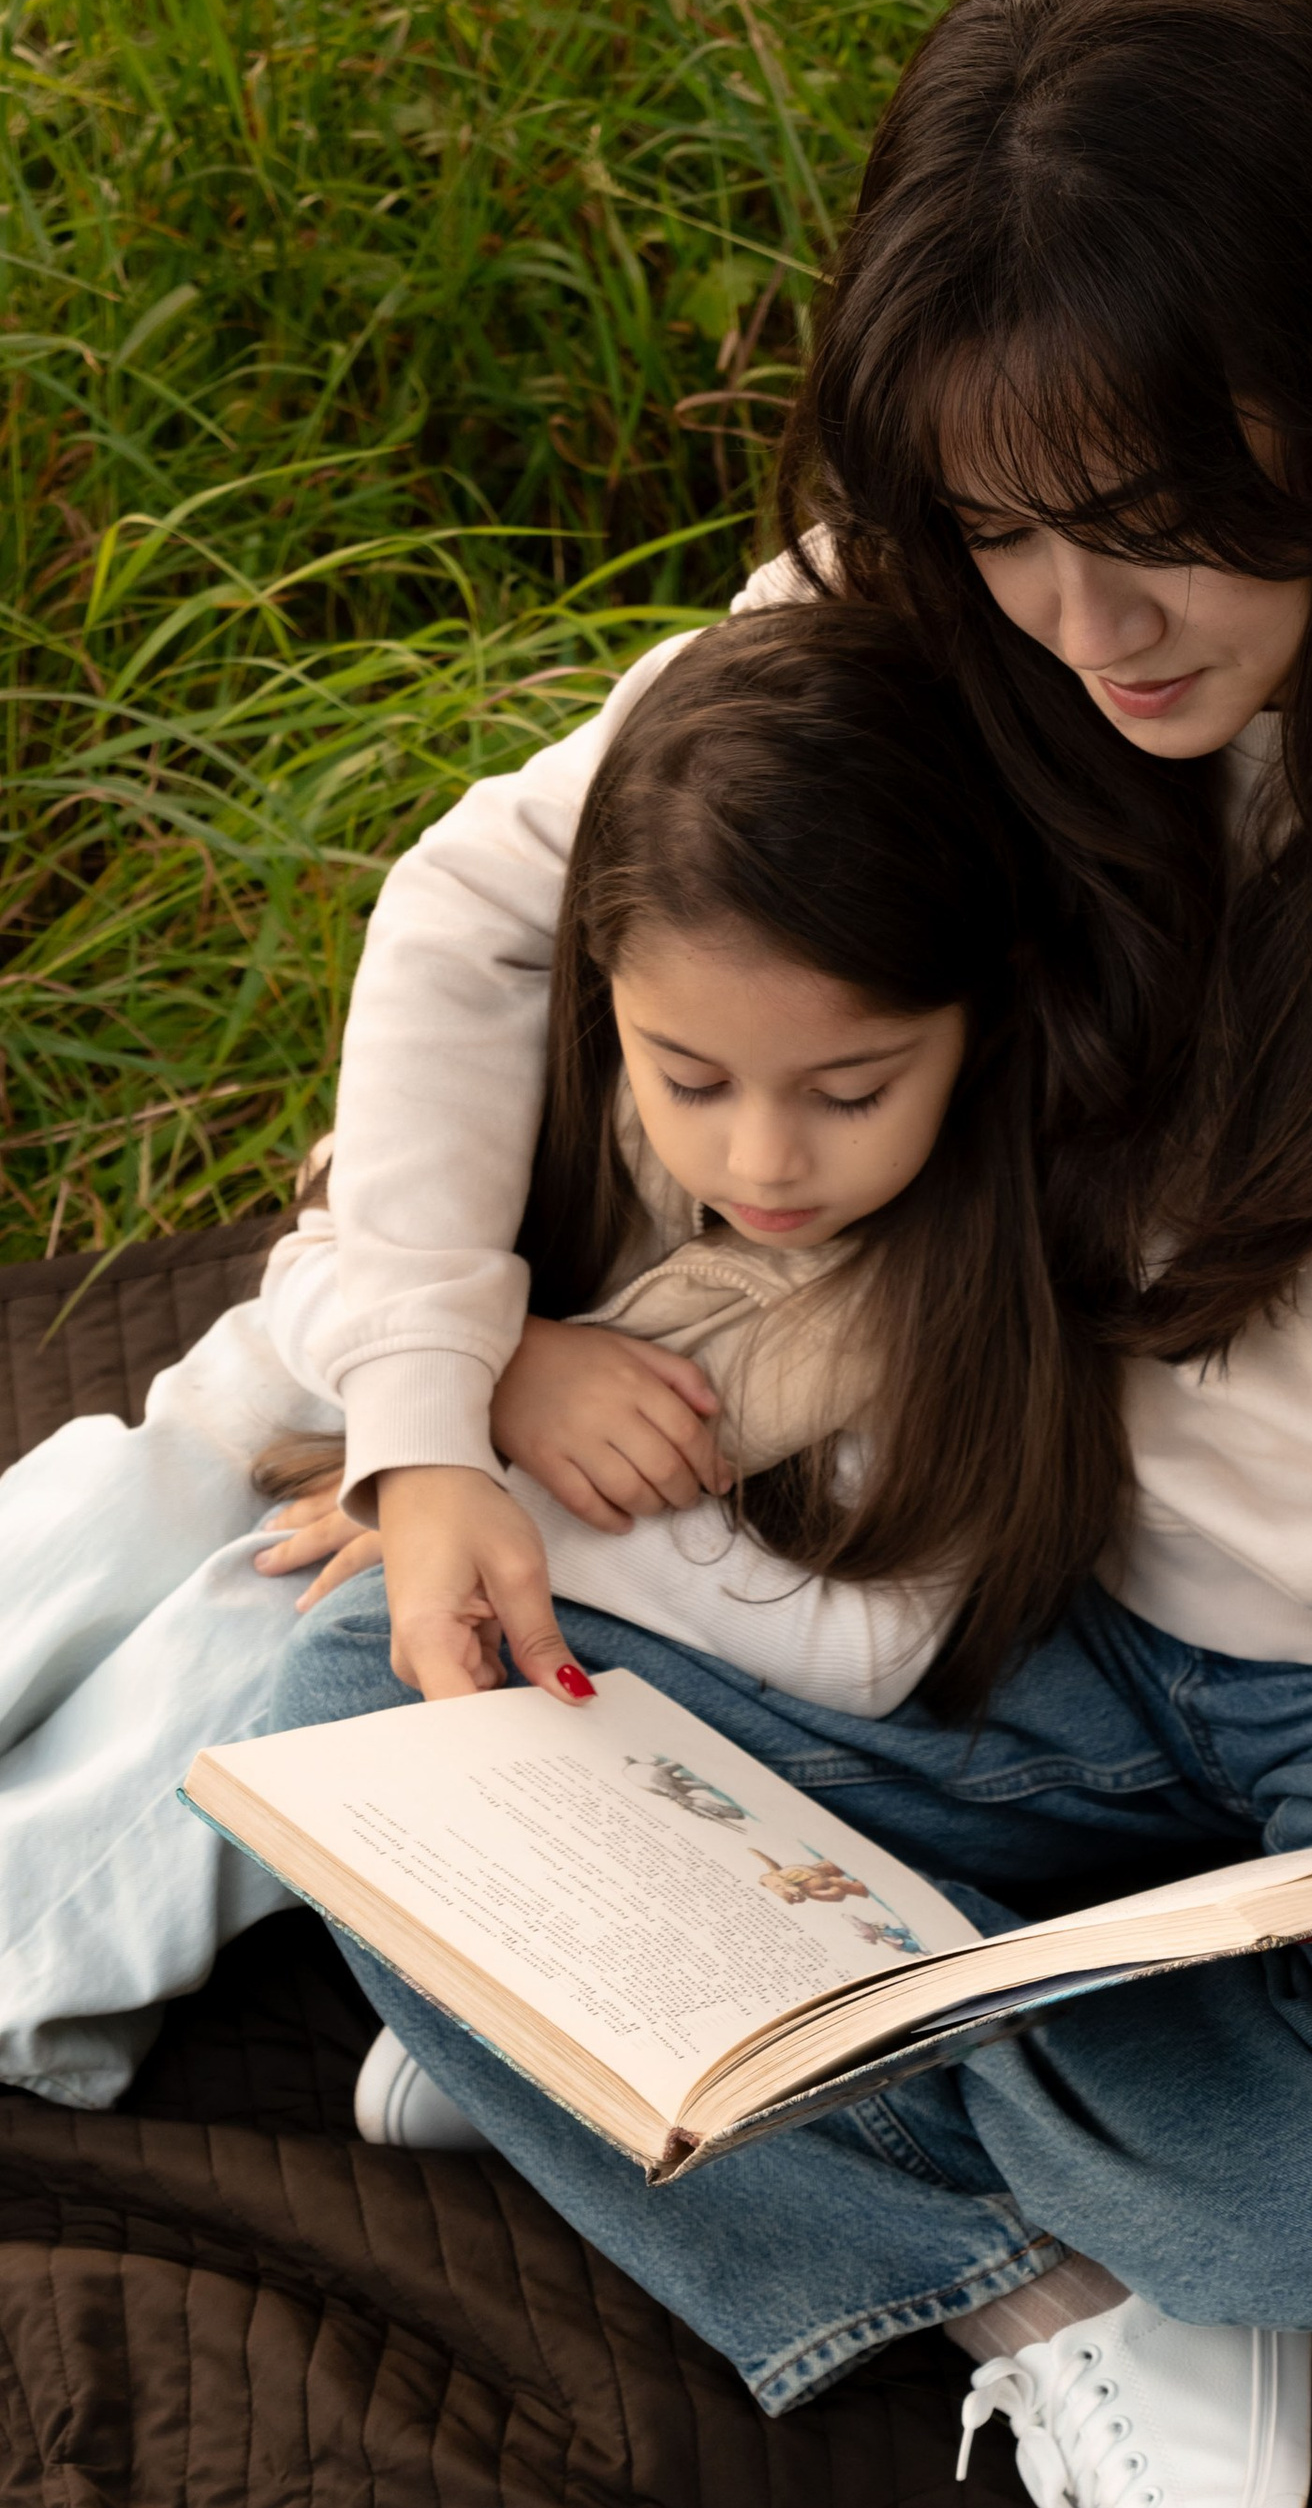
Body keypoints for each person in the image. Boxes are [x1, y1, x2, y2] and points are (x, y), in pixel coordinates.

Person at [259, 0, 1312, 2508]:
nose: (1091, 618)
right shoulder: (920, 627)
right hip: (999, 1595)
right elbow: (484, 909)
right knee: (344, 1692)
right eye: (997, 525)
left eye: (1158, 516)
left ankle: (648, 2063)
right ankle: (1040, 2275)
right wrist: (421, 1417)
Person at [0, 601, 1074, 2127]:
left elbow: (868, 1639)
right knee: (130, 1493)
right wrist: (474, 1380)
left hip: (525, 1583)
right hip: (348, 1418)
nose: (760, 1152)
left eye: (848, 1091)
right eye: (691, 1078)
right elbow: (322, 1258)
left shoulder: (951, 1295)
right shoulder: (567, 1104)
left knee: (265, 1620)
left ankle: (21, 1978)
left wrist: (466, 1497)